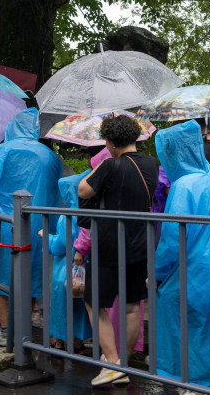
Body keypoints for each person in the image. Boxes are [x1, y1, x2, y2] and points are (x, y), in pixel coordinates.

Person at [154, 120, 210, 387]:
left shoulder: (183, 186)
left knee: (184, 322)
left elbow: (172, 239)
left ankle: (189, 380)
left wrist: (156, 272)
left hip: (190, 269)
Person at [78, 115, 158, 386]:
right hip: (140, 242)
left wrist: (99, 165)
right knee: (133, 306)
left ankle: (112, 363)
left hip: (110, 243)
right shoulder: (151, 164)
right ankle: (123, 364)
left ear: (110, 142)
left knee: (93, 301)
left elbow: (83, 190)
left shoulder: (109, 165)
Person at [0, 108, 62, 346]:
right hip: (38, 223)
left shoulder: (1, 151)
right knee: (32, 272)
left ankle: (5, 327)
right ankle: (25, 324)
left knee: (1, 273)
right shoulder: (49, 156)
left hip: (3, 222)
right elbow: (55, 193)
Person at [73, 147, 145, 357]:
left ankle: (111, 358)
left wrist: (80, 248)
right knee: (131, 306)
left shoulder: (97, 183)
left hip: (106, 249)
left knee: (100, 305)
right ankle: (124, 358)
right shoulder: (136, 177)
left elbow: (86, 227)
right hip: (136, 246)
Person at [45, 172, 92, 351]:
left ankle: (59, 340)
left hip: (63, 272)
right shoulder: (89, 214)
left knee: (60, 306)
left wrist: (47, 238)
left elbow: (60, 245)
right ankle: (79, 341)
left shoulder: (66, 216)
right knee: (80, 307)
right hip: (82, 270)